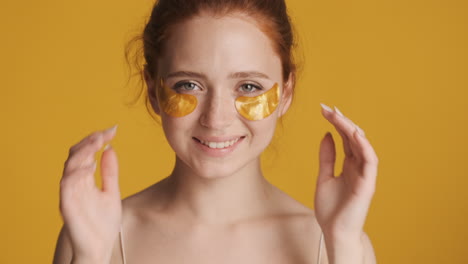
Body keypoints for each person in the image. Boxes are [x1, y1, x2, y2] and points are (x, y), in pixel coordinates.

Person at [53, 0, 379, 263]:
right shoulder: (97, 234)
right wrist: (90, 257)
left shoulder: (338, 242)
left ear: (286, 93)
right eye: (189, 85)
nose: (216, 118)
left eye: (248, 86)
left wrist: (343, 245)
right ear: (152, 90)